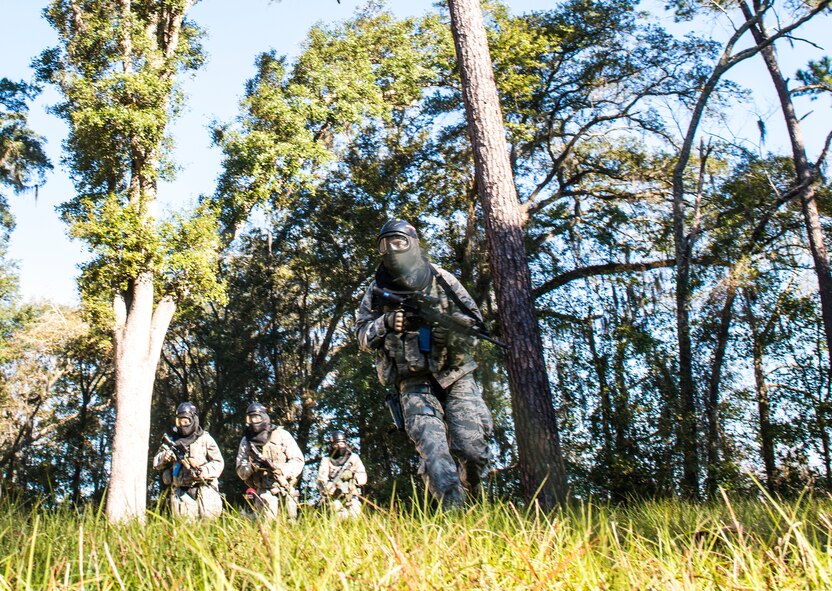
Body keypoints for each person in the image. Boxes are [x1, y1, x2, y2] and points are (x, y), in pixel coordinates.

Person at [355, 219, 494, 509]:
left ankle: (479, 506)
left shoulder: (442, 279)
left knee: (471, 450)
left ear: (413, 244)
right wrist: (385, 323)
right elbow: (362, 337)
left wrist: (451, 332)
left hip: (455, 375)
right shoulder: (375, 291)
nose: (392, 250)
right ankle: (454, 517)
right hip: (413, 383)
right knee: (434, 453)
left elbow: (476, 327)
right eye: (385, 244)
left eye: (398, 242)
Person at [152, 401, 224, 518]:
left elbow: (218, 463)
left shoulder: (205, 439)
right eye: (179, 421)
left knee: (209, 528)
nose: (182, 425)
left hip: (205, 491)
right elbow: (156, 462)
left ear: (193, 420)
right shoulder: (172, 441)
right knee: (185, 528)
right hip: (182, 494)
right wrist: (165, 457)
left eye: (186, 421)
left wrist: (202, 470)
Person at [235, 402, 305, 519]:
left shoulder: (281, 435)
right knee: (267, 522)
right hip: (263, 491)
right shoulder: (246, 441)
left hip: (285, 487)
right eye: (250, 418)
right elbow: (240, 471)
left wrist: (282, 471)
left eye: (257, 417)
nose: (254, 421)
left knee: (290, 521)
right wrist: (252, 466)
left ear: (264, 417)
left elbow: (298, 460)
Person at [316, 430, 367, 519]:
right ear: (331, 446)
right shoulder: (326, 460)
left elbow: (363, 476)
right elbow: (322, 480)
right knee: (338, 515)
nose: (339, 447)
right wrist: (331, 488)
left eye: (342, 444)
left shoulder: (353, 458)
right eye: (336, 444)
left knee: (355, 515)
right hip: (334, 497)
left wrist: (352, 477)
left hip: (352, 496)